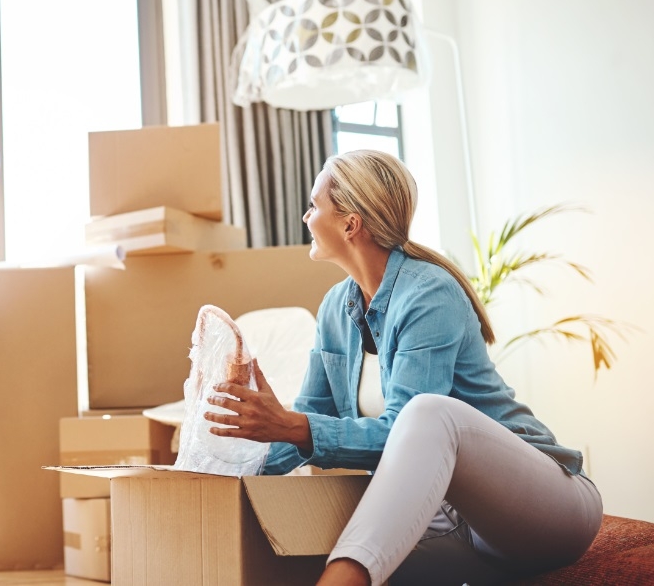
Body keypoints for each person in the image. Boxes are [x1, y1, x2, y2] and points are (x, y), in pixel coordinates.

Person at [204, 149, 602, 585]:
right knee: (291, 566)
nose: (306, 216)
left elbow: (400, 432)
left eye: (314, 205)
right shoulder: (336, 308)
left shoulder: (429, 293)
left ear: (350, 224)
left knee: (428, 413)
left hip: (544, 510)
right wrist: (226, 466)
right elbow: (309, 417)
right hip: (455, 528)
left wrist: (291, 426)